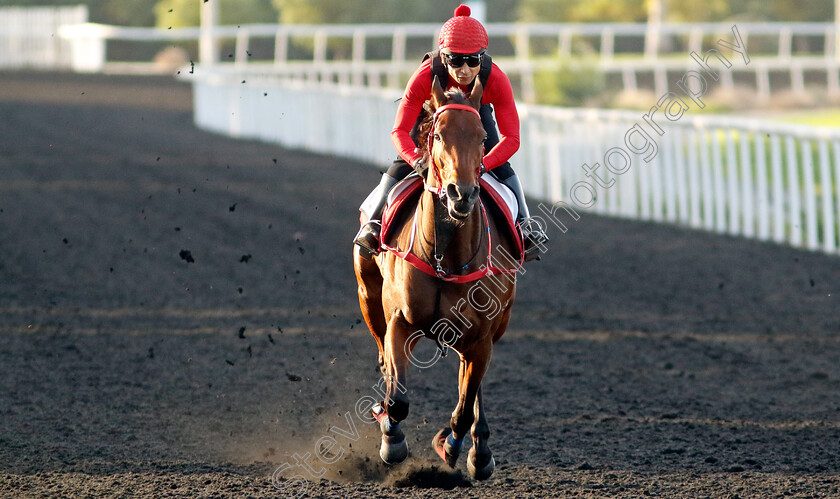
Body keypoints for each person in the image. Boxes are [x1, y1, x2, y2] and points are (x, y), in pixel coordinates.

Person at [354, 4, 548, 261]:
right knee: (400, 167)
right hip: (433, 116)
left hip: (474, 116)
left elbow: (511, 139)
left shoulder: (496, 79)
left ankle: (525, 225)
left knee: (504, 170)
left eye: (473, 60)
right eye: (455, 60)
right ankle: (374, 223)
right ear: (443, 57)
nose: (465, 69)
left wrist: (483, 164)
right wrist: (416, 160)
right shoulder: (425, 76)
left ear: (483, 57)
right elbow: (399, 130)